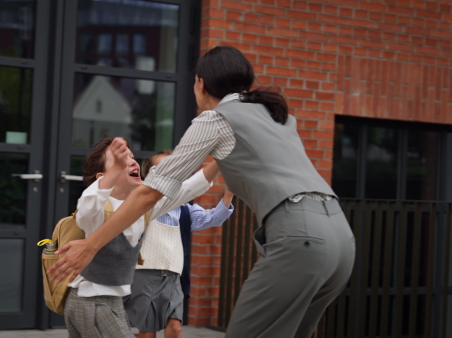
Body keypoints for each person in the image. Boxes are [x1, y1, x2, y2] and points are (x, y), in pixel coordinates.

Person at [49, 46, 356, 338]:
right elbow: (194, 181)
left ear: (200, 83)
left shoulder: (215, 118)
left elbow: (151, 193)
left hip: (299, 237)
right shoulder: (279, 118)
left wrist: (90, 246)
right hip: (341, 239)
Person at [64, 138, 221, 338]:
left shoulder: (144, 208)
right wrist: (113, 173)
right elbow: (88, 205)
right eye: (119, 160)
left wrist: (221, 159)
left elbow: (188, 188)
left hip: (112, 301)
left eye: (131, 156)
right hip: (91, 301)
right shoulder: (97, 210)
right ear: (103, 177)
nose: (130, 161)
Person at [124, 150, 234, 338]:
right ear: (150, 174)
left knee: (175, 328)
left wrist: (228, 195)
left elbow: (214, 218)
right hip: (144, 274)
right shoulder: (142, 203)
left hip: (174, 276)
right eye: (162, 168)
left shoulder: (184, 211)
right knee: (148, 333)